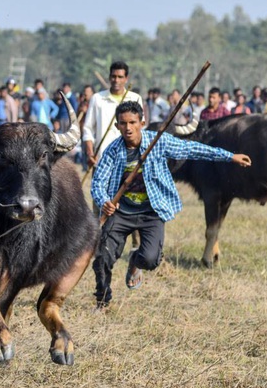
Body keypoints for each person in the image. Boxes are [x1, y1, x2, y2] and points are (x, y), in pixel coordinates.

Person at [90, 101, 251, 308]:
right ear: (117, 126)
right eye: (123, 123)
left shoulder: (158, 142)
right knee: (103, 256)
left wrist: (229, 156)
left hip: (152, 212)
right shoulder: (112, 151)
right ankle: (103, 301)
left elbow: (192, 148)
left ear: (142, 122)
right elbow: (98, 183)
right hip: (121, 211)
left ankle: (135, 260)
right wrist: (104, 200)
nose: (128, 128)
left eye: (132, 122)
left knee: (150, 260)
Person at [83, 61, 144, 169]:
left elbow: (141, 129)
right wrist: (90, 154)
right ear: (109, 77)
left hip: (130, 161)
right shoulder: (97, 99)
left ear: (126, 78)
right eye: (114, 76)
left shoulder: (136, 98)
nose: (116, 80)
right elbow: (87, 129)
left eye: (120, 77)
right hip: (102, 159)